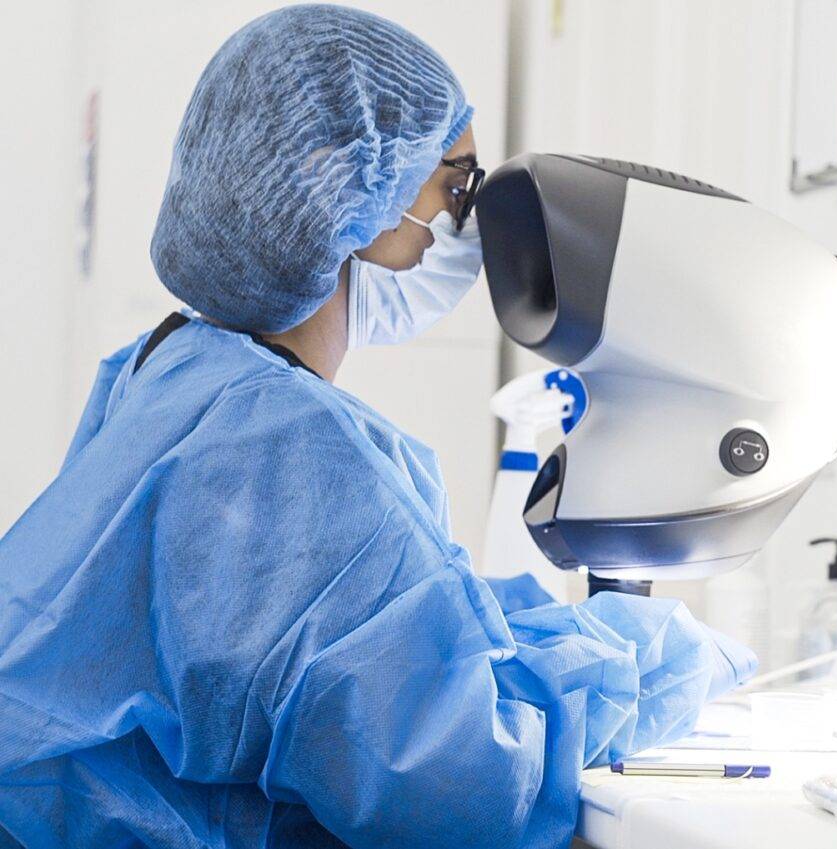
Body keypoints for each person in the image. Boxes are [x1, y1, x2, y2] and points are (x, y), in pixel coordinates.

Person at [0, 6, 755, 848]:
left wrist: (538, 636)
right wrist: (649, 664)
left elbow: (357, 635)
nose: (472, 226)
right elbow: (455, 785)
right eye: (458, 186)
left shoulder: (165, 365)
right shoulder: (281, 443)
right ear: (345, 182)